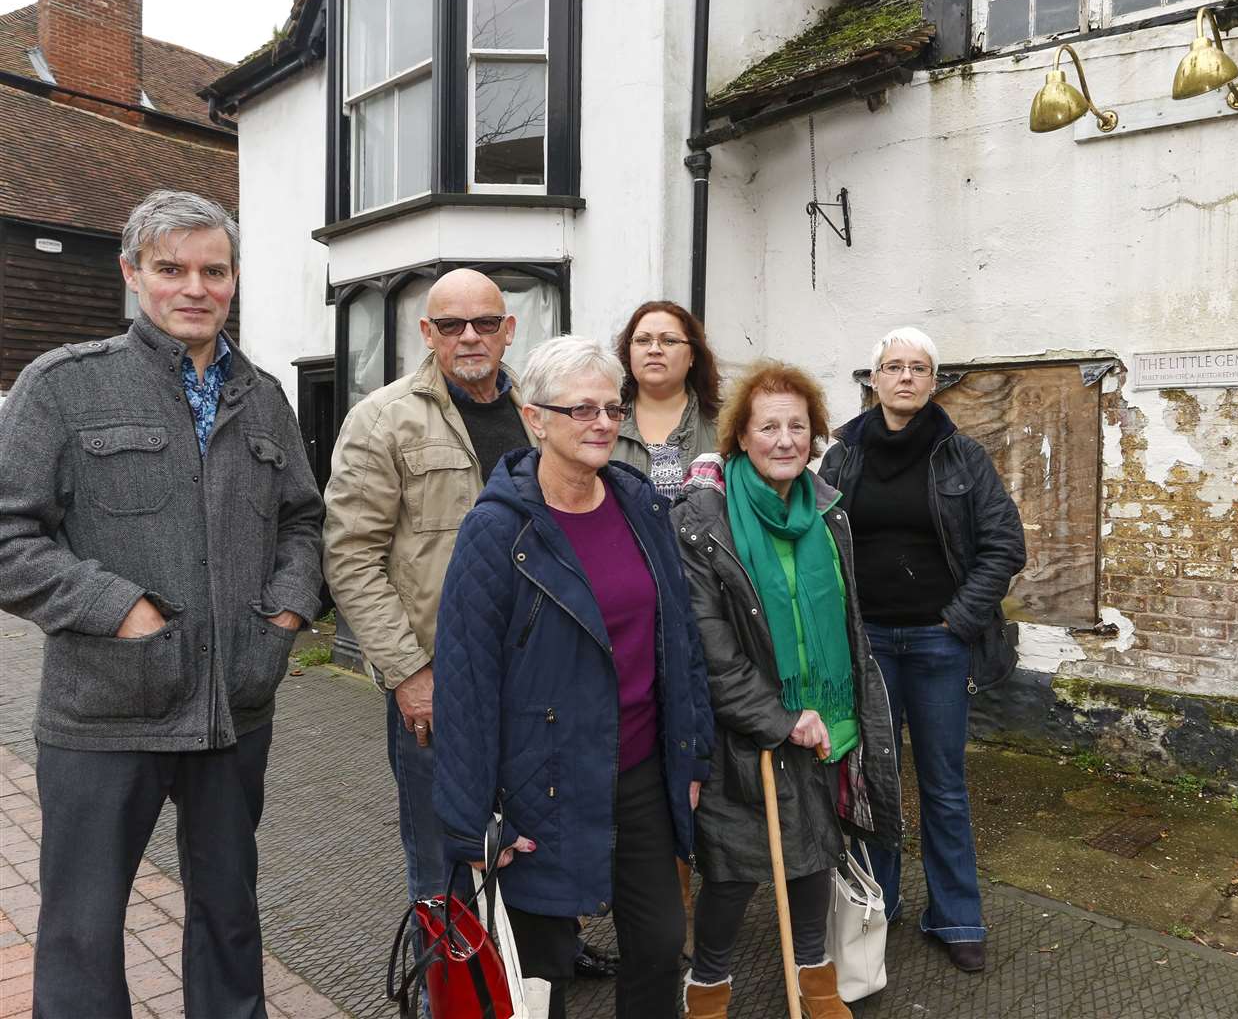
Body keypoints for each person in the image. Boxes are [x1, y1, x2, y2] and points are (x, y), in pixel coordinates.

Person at [0, 189, 323, 1017]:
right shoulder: (64, 388)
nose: (194, 287)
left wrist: (284, 616)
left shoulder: (265, 397)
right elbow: (9, 538)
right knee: (81, 930)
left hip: (233, 708)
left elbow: (303, 522)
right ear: (133, 274)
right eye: (171, 268)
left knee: (230, 915)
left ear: (234, 279)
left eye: (213, 271)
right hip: (105, 713)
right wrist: (119, 608)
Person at [433, 336, 712, 1019]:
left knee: (659, 940)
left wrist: (693, 750)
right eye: (581, 409)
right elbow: (465, 682)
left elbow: (679, 637)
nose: (602, 424)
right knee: (543, 967)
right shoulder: (498, 530)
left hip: (642, 768)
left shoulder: (640, 504)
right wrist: (472, 824)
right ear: (535, 419)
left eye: (612, 409)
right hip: (543, 779)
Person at [323, 268, 548, 960]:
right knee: (446, 852)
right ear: (427, 333)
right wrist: (408, 673)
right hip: (441, 680)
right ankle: (449, 986)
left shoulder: (544, 413)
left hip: (538, 674)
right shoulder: (383, 418)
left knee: (535, 832)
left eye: (485, 322)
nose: (470, 337)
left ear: (510, 330)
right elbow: (351, 557)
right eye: (451, 325)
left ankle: (531, 964)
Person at [672, 360, 902, 1019]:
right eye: (767, 426)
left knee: (814, 857)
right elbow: (709, 652)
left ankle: (816, 982)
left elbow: (849, 625)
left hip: (827, 723)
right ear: (740, 437)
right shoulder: (702, 521)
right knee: (735, 872)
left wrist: (842, 713)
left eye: (797, 426)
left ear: (815, 435)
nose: (783, 439)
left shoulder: (831, 515)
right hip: (743, 730)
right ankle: (708, 986)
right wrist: (779, 716)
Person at [818, 327, 1026, 974]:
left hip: (938, 644)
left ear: (933, 382)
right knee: (874, 784)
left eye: (918, 368)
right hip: (869, 643)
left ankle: (957, 916)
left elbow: (1005, 544)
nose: (905, 377)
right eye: (892, 366)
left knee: (942, 784)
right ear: (873, 379)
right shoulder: (842, 455)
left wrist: (958, 620)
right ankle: (878, 905)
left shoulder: (961, 456)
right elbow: (817, 544)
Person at [610, 300, 721, 494]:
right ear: (629, 352)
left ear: (693, 355)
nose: (654, 349)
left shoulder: (724, 424)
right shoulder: (603, 421)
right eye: (643, 340)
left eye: (669, 340)